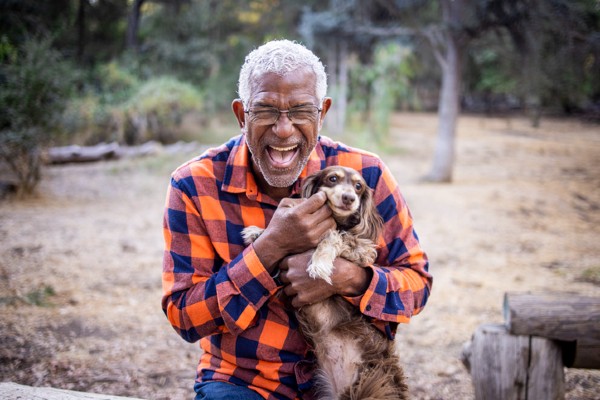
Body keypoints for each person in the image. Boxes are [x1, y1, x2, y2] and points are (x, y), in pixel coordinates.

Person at [161, 39, 432, 400]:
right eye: (266, 110)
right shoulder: (195, 184)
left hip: (354, 379)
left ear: (322, 112)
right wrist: (272, 246)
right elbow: (185, 316)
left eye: (301, 111)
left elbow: (417, 285)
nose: (284, 129)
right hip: (245, 381)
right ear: (242, 114)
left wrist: (348, 278)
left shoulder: (366, 175)